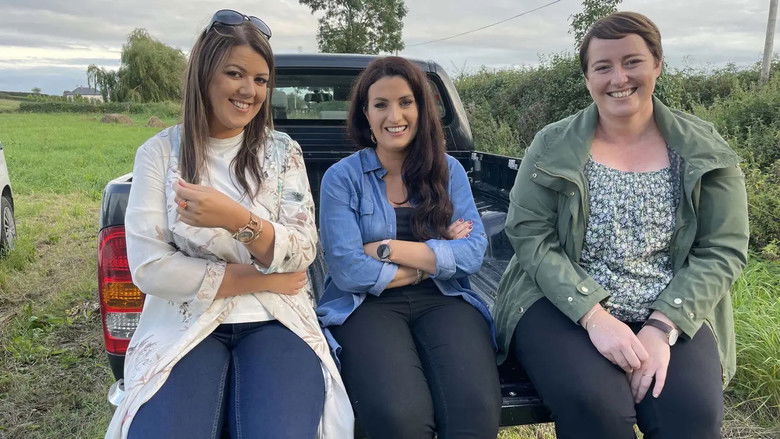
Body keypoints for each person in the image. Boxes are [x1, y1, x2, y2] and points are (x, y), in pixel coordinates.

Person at [493, 11, 749, 439]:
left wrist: (662, 327)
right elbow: (530, 235)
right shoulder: (552, 144)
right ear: (587, 78)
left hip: (670, 302)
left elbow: (724, 248)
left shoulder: (704, 148)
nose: (619, 78)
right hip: (561, 300)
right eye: (603, 67)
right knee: (598, 408)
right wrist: (594, 316)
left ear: (657, 65)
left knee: (691, 416)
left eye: (632, 62)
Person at [105, 10, 352, 439]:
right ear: (204, 75)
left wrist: (235, 219)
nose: (249, 90)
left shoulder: (283, 152)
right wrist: (259, 276)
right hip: (184, 321)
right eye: (235, 74)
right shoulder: (160, 154)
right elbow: (150, 269)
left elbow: (303, 249)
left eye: (260, 79)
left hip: (276, 318)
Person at [316, 56, 502, 439]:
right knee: (399, 418)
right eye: (380, 104)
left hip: (444, 297)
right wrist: (434, 258)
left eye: (405, 102)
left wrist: (385, 248)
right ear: (365, 113)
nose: (394, 116)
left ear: (421, 108)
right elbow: (348, 270)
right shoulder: (342, 178)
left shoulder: (448, 170)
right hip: (366, 305)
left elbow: (473, 252)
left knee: (476, 411)